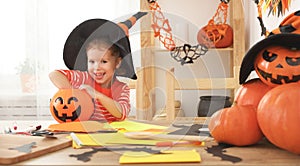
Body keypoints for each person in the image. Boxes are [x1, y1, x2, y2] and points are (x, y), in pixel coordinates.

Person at [49, 12, 147, 122]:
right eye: (92, 62)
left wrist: (97, 95)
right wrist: (74, 93)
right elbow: (54, 74)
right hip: (83, 133)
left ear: (117, 63)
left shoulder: (121, 88)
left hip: (109, 135)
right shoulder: (83, 78)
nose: (97, 67)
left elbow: (121, 113)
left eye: (104, 61)